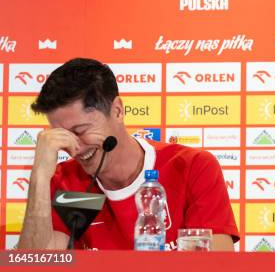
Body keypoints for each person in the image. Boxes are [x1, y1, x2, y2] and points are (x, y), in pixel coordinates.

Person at [17, 58, 239, 250]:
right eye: (62, 137)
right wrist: (39, 176)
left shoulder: (190, 167)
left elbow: (216, 263)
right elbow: (38, 265)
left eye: (81, 131)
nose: (75, 148)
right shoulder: (70, 183)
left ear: (117, 111)